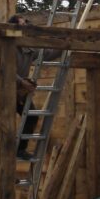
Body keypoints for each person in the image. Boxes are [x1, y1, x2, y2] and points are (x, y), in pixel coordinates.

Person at [8, 14, 60, 160]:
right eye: (23, 24)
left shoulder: (28, 49)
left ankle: (20, 149)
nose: (26, 27)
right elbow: (5, 68)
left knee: (31, 116)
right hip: (4, 91)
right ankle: (6, 155)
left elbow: (46, 55)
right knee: (5, 125)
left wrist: (63, 46)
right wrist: (21, 81)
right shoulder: (8, 46)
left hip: (19, 92)